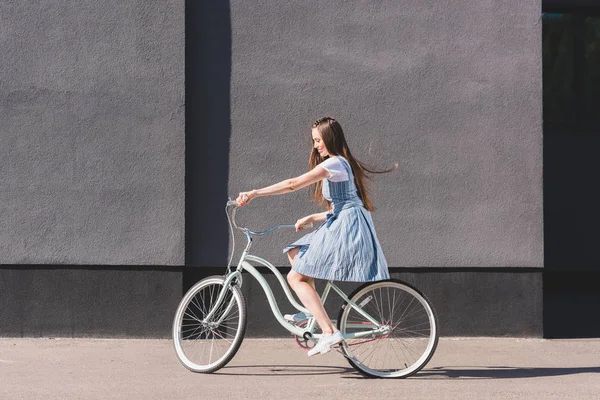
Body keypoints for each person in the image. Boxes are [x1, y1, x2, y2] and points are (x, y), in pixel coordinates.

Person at [236, 116, 395, 356]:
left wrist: (255, 192)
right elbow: (341, 206)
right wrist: (312, 217)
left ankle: (330, 332)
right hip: (342, 220)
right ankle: (312, 310)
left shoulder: (335, 164)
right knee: (295, 252)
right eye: (314, 141)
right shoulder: (339, 165)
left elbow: (293, 184)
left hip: (346, 227)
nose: (316, 145)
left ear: (330, 138)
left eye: (318, 140)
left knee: (295, 278)